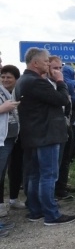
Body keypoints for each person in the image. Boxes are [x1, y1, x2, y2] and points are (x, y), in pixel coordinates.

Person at [14, 47, 75, 225]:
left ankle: (36, 211)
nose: (49, 64)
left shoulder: (23, 80)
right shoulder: (36, 82)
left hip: (32, 134)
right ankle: (51, 214)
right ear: (35, 63)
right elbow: (62, 99)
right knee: (48, 175)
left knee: (35, 175)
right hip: (47, 133)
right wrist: (61, 81)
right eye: (46, 61)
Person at [49, 57, 75, 200]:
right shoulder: (48, 85)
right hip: (54, 128)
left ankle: (61, 188)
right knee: (55, 162)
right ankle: (53, 192)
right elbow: (61, 101)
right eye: (55, 68)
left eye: (60, 68)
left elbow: (68, 103)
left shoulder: (63, 84)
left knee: (65, 158)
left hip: (67, 124)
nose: (58, 71)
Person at [0, 65, 24, 212]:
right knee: (1, 171)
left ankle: (14, 199)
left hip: (17, 135)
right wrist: (3, 108)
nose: (5, 80)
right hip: (3, 138)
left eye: (9, 77)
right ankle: (1, 204)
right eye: (3, 77)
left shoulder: (19, 91)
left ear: (16, 79)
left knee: (16, 168)